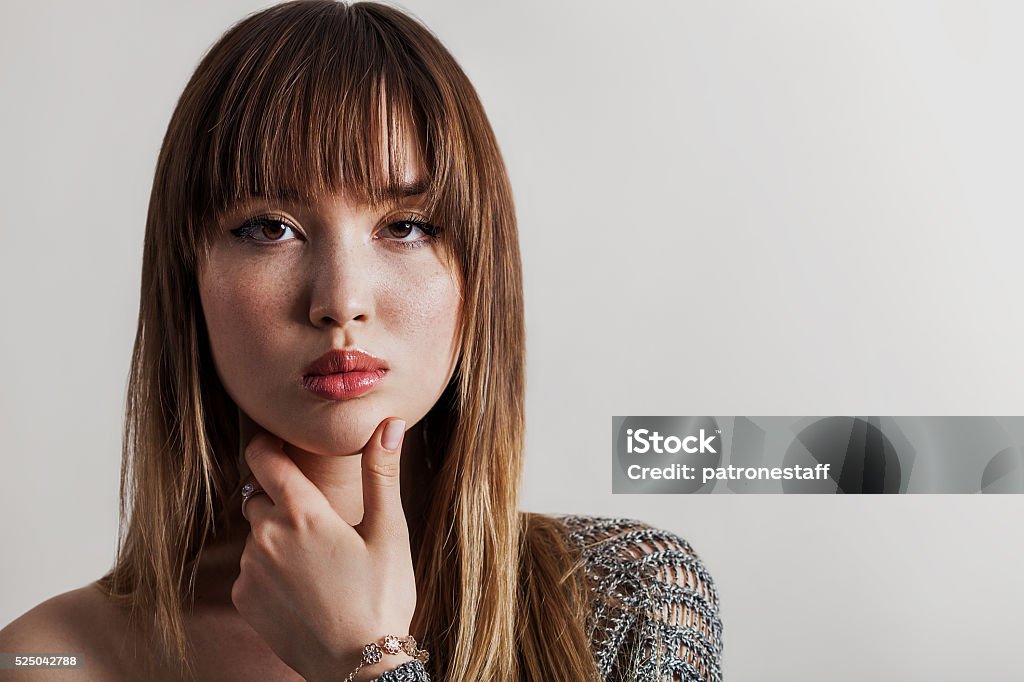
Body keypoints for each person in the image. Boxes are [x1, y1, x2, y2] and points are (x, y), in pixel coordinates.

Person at [0, 2, 723, 680]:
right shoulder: (55, 660)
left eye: (405, 226)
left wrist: (363, 657)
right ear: (188, 273)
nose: (340, 301)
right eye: (269, 228)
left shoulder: (627, 603)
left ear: (479, 269)